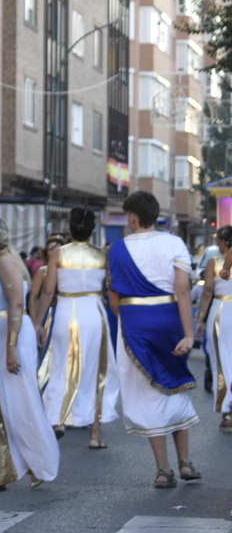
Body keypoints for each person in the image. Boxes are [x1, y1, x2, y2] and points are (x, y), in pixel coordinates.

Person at [108, 190, 199, 488]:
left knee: (148, 393)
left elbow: (114, 300)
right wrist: (188, 333)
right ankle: (185, 462)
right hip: (170, 321)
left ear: (132, 217)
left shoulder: (117, 249)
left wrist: (131, 321)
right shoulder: (174, 242)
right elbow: (182, 291)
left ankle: (163, 469)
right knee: (174, 386)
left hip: (135, 324)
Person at [0, 216, 59, 489]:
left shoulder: (5, 261)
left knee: (19, 400)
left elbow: (17, 305)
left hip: (9, 336)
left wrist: (11, 348)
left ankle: (39, 464)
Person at [37, 207, 120, 447]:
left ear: (70, 228)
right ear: (92, 229)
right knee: (97, 370)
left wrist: (38, 323)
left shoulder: (58, 254)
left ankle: (58, 419)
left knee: (61, 366)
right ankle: (95, 434)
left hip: (65, 310)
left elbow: (48, 290)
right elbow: (109, 287)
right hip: (94, 311)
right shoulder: (102, 254)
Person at [198, 225, 232, 431]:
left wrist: (200, 319)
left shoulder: (214, 262)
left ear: (224, 242)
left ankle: (227, 413)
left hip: (221, 312)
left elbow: (207, 293)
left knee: (221, 363)